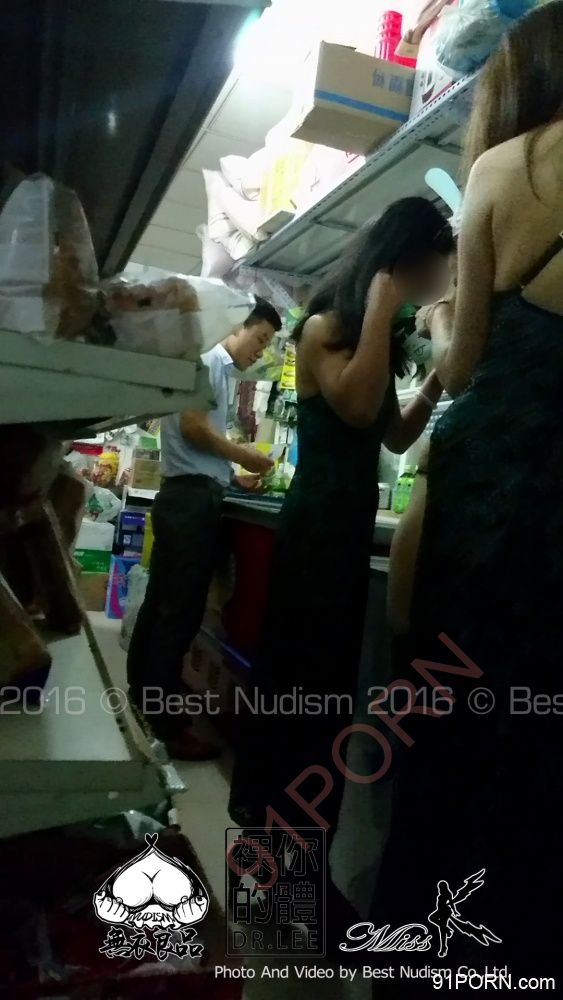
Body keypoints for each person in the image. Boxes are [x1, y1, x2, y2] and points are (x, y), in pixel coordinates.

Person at [371, 4, 563, 989]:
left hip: (489, 498)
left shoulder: (498, 168)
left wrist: (442, 327)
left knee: (450, 740)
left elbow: (462, 369)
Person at [228, 198, 454, 941]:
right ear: (402, 259)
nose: (436, 283)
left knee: (317, 710)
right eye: (431, 269)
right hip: (316, 540)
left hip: (339, 541)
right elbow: (357, 409)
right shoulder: (326, 325)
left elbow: (392, 433)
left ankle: (291, 883)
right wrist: (385, 305)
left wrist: (437, 376)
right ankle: (286, 892)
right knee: (302, 709)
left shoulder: (367, 336)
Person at [127, 297, 282, 760]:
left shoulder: (212, 367)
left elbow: (196, 441)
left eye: (267, 345)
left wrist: (232, 476)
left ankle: (143, 698)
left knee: (162, 607)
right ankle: (167, 726)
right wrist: (244, 455)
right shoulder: (211, 362)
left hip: (185, 494)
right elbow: (194, 428)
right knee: (178, 615)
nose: (260, 351)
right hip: (191, 503)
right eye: (259, 339)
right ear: (238, 327)